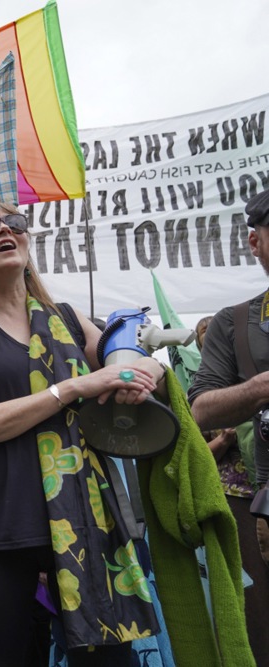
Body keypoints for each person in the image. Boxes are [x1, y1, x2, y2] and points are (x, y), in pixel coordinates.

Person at [0, 202, 161, 666]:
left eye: (14, 223)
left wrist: (144, 373)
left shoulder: (71, 320)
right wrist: (74, 386)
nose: (5, 230)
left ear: (25, 240)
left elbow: (136, 361)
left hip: (83, 521)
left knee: (109, 661)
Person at [187, 189, 269, 666]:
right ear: (255, 243)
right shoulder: (234, 323)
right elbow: (200, 409)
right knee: (260, 634)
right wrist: (260, 387)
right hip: (257, 506)